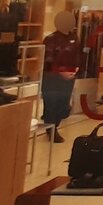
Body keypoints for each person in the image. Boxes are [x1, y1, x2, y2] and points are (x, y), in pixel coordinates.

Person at [42, 11, 80, 143]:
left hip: (70, 76)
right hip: (52, 77)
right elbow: (48, 60)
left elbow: (77, 54)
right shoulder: (50, 39)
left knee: (64, 106)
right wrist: (61, 71)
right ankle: (51, 130)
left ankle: (53, 123)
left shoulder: (74, 37)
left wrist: (76, 68)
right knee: (51, 104)